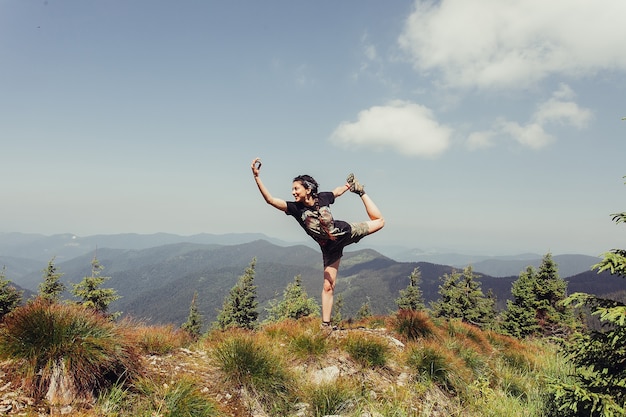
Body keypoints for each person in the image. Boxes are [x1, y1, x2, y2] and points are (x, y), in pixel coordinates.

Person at [250, 157, 385, 329]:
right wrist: (257, 177)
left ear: (308, 189)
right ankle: (326, 325)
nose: (293, 192)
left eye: (296, 188)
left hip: (345, 232)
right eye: (292, 189)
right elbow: (270, 200)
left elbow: (335, 192)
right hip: (330, 249)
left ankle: (361, 192)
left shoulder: (323, 198)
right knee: (328, 285)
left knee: (380, 222)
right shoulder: (296, 209)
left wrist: (349, 186)